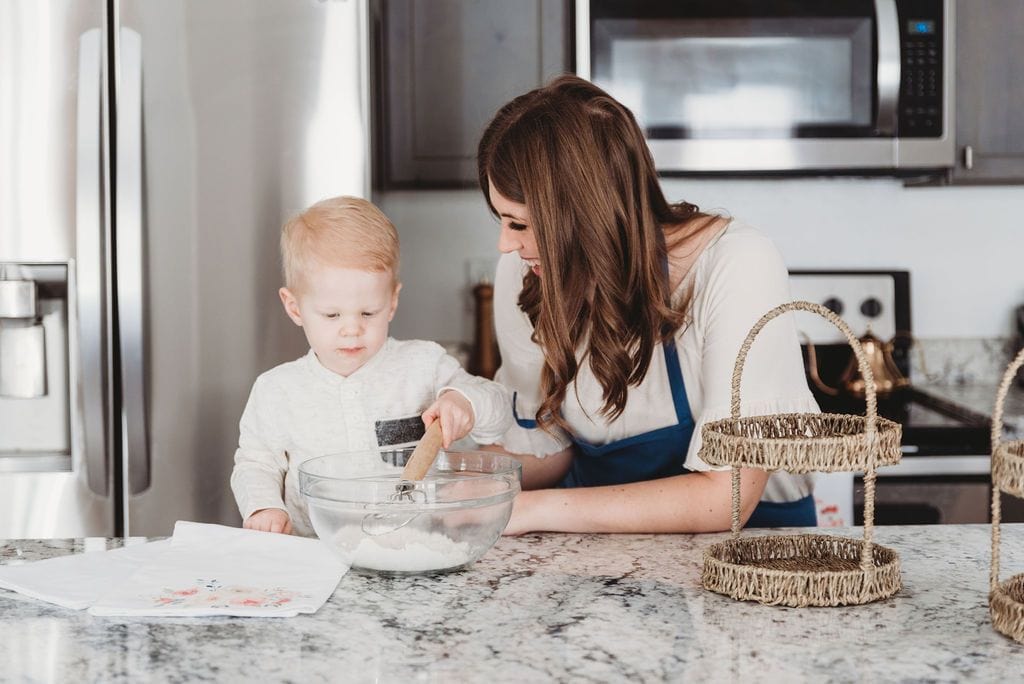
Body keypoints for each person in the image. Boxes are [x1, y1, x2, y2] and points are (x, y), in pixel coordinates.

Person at [477, 75, 819, 535]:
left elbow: (728, 497)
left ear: (584, 216)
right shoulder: (527, 271)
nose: (505, 244)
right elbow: (551, 449)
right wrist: (460, 477)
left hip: (752, 557)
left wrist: (527, 510)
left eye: (519, 224)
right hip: (594, 563)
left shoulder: (736, 264)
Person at [230, 196, 512, 535]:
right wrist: (264, 506)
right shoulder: (276, 390)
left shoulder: (424, 364)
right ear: (294, 308)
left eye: (368, 313)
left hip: (418, 547)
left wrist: (465, 401)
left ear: (391, 302)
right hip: (316, 553)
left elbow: (497, 412)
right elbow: (256, 463)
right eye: (332, 315)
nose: (352, 328)